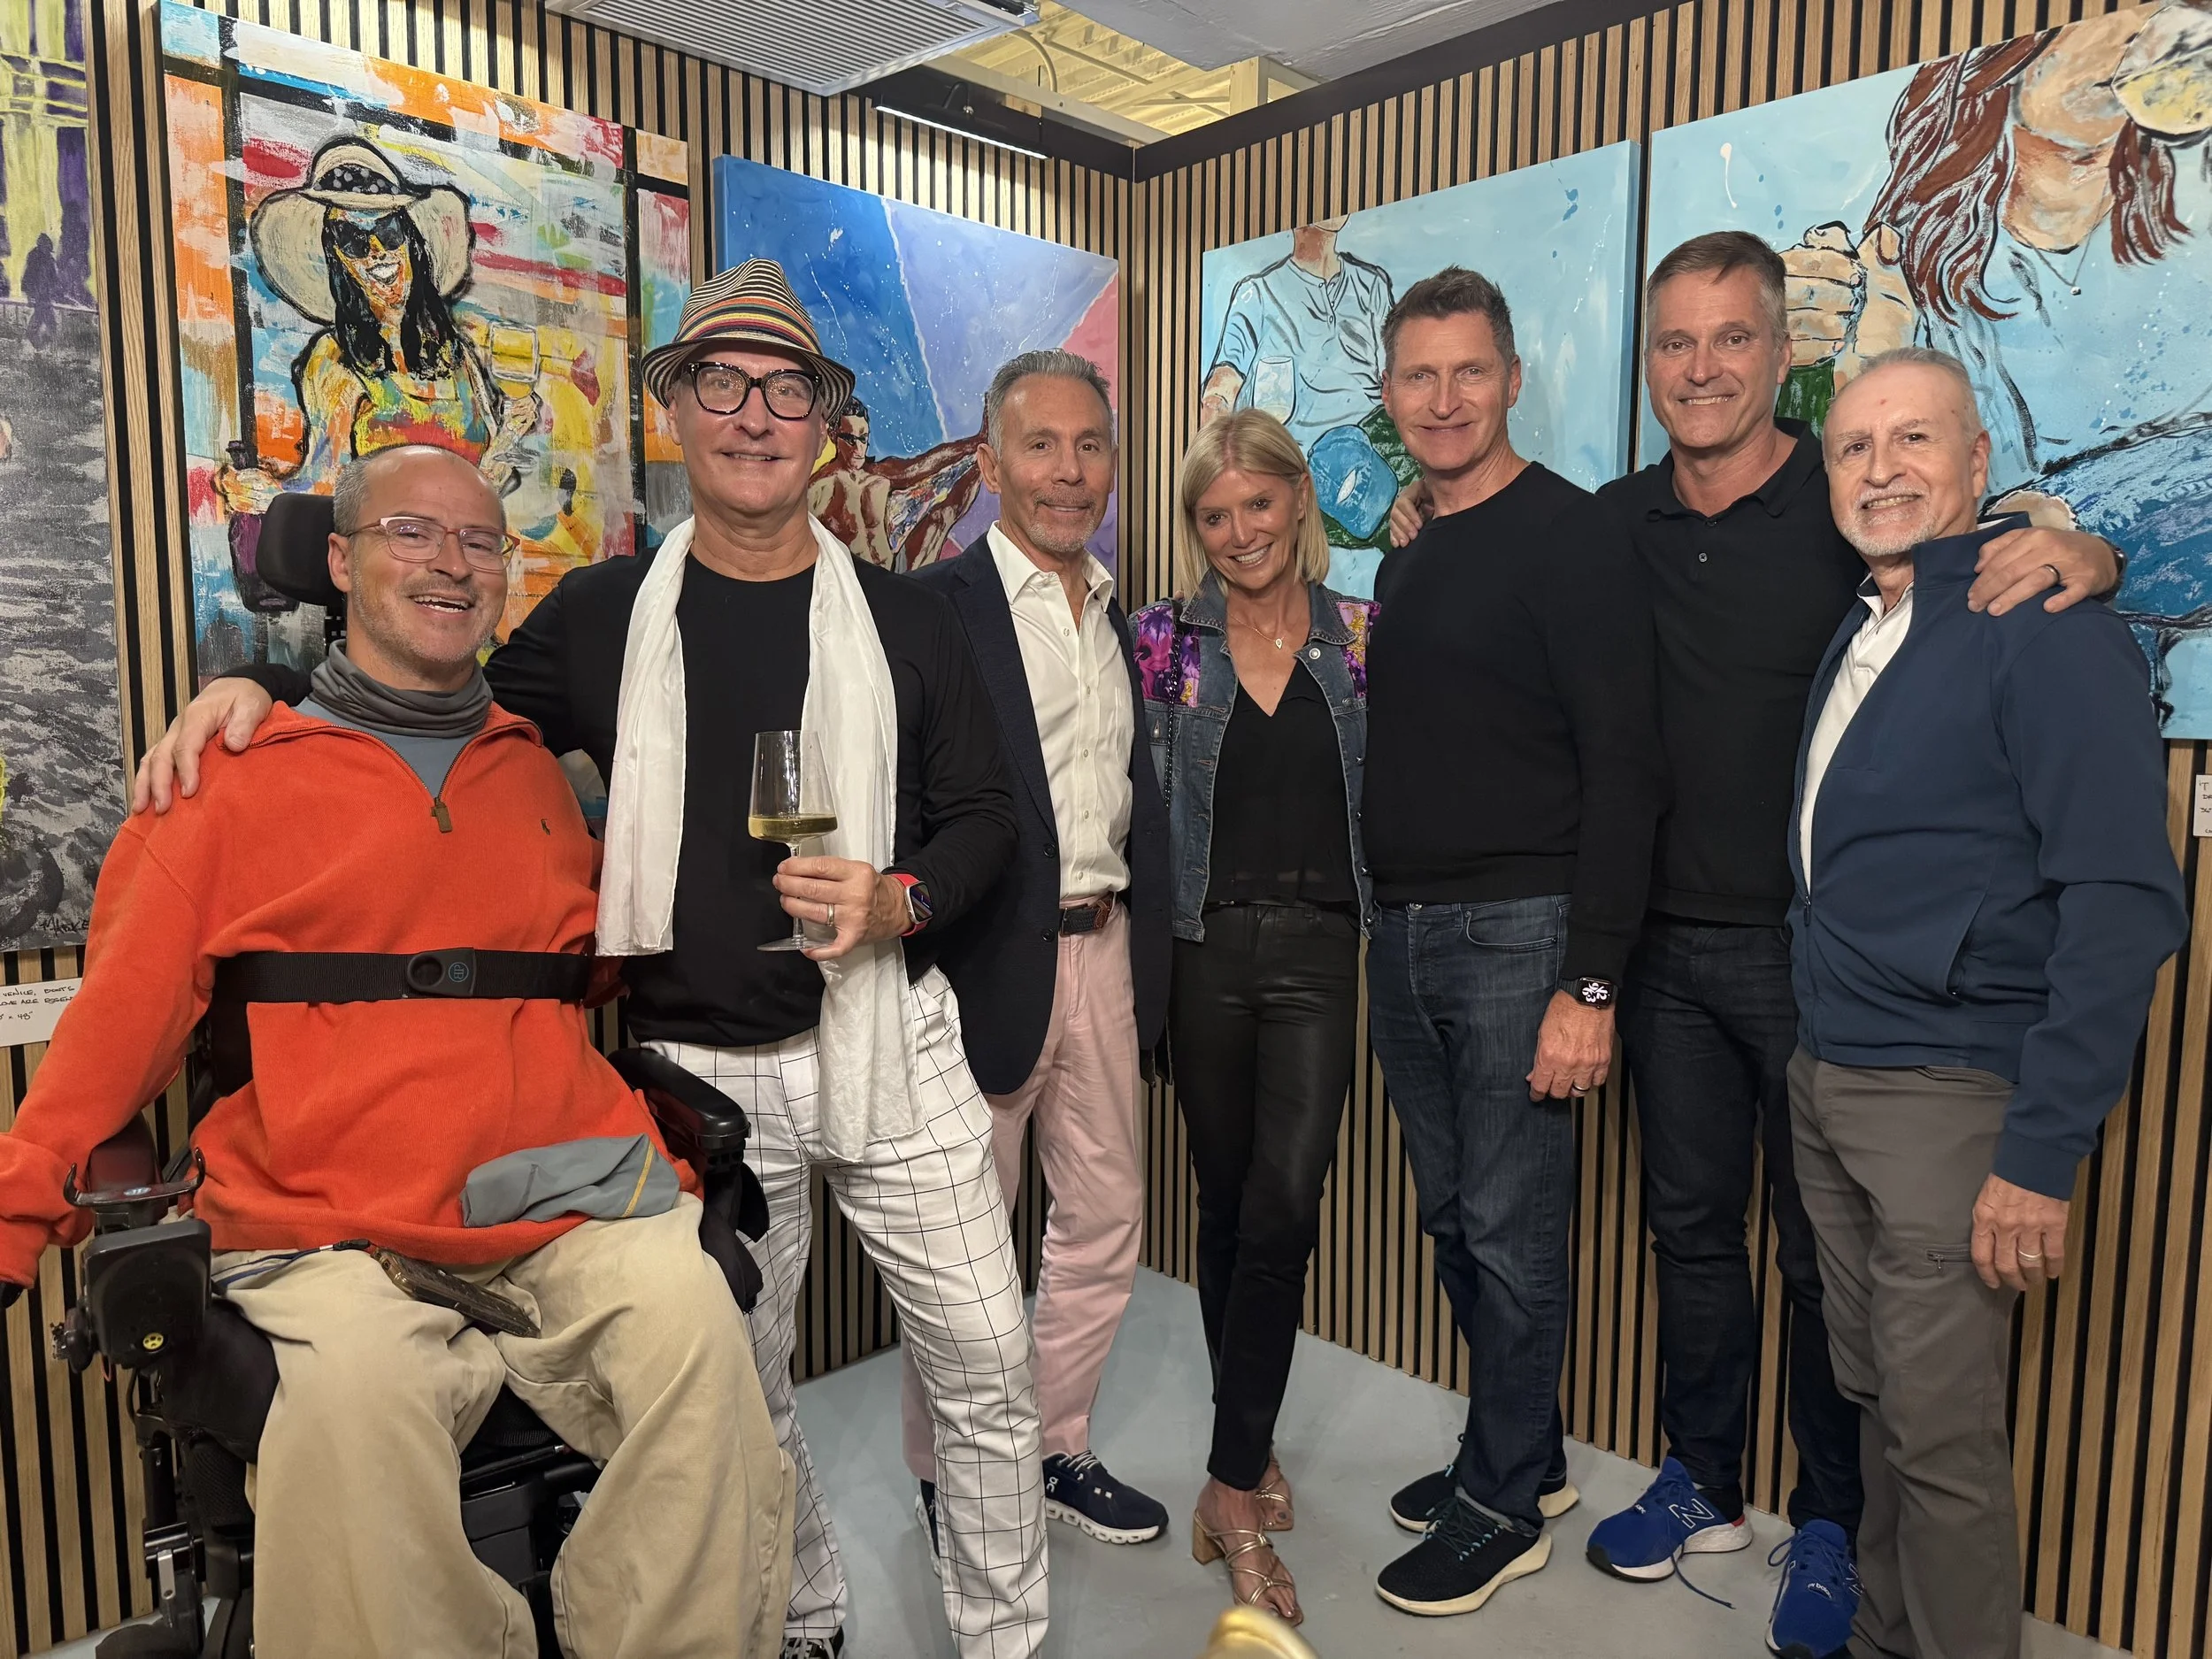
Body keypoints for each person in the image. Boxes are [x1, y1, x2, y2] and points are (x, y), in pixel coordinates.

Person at [129, 261, 1045, 1659]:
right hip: (694, 1065)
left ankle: (1005, 1638)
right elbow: (416, 694)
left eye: (788, 387)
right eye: (722, 383)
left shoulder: (909, 616)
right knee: (752, 1378)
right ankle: (799, 1618)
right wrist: (252, 686)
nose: (755, 414)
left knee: (989, 1359)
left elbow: (988, 815)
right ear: (677, 408)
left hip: (887, 1035)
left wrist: (899, 896)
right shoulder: (604, 617)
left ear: (827, 425)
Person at [0, 443, 793, 1659]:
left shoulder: (537, 774)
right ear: (341, 558)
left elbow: (598, 962)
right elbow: (112, 1036)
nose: (451, 563)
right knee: (355, 1411)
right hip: (329, 1217)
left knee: (699, 1338)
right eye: (412, 533)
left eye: (480, 542)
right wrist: (14, 1217)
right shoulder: (223, 783)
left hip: (554, 1192)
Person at [1577, 233, 2120, 1655]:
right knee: (1709, 1243)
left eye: (1732, 340)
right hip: (1717, 979)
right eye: (1675, 344)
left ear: (1779, 364)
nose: (1702, 368)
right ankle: (1723, 1490)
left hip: (1865, 1006)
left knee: (1870, 1333)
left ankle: (1827, 1528)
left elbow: (2117, 883)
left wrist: (2079, 545)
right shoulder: (1657, 539)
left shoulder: (1933, 562)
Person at [1788, 347, 2185, 1659]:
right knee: (1884, 1404)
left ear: (1979, 466)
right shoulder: (1868, 624)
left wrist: (2040, 1150)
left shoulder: (2044, 625)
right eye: (1855, 446)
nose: (1882, 467)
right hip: (1835, 1079)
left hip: (1950, 1100)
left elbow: (2124, 901)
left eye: (1914, 440)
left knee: (1943, 1439)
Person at [1361, 266, 1664, 1617]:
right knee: (1453, 1213)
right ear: (1389, 395)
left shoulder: (1576, 537)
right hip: (1404, 932)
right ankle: (1521, 1449)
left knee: (1513, 1225)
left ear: (1513, 377)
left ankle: (1501, 1507)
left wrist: (1588, 982)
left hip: (1521, 935)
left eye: (1467, 371)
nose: (1444, 398)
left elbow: (1629, 768)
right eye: (1419, 376)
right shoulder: (1408, 544)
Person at [903, 349, 1172, 1554]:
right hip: (982, 961)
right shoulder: (939, 610)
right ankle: (950, 1468)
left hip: (1105, 952)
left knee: (1107, 1212)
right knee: (963, 1236)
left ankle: (1053, 1441)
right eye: (1043, 446)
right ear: (996, 457)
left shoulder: (1122, 614)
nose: (1069, 472)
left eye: (1090, 446)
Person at [1129, 411, 1374, 1627]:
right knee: (1226, 1209)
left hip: (1322, 953)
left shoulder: (1367, 638)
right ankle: (1253, 1442)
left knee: (1285, 1205)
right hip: (1203, 953)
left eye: (1258, 506)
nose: (1238, 534)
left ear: (1297, 500)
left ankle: (1228, 1487)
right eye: (1214, 516)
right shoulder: (1161, 643)